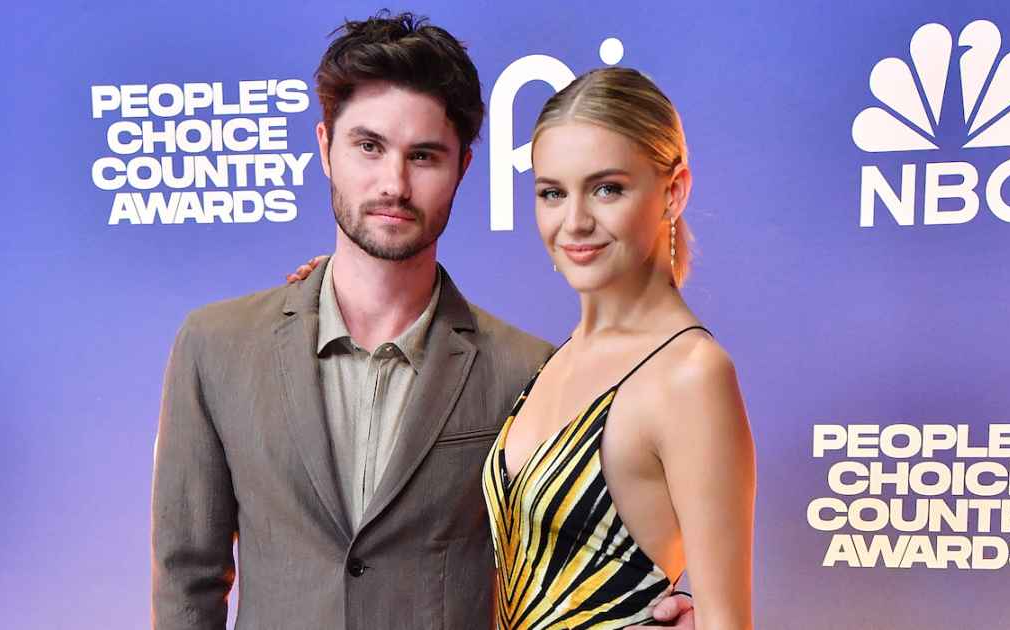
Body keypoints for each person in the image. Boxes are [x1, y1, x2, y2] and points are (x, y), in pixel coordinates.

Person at [151, 12, 695, 629]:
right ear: (325, 147)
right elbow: (186, 581)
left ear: (463, 166)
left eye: (424, 156)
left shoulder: (531, 372)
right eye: (369, 146)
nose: (395, 183)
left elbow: (571, 577)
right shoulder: (216, 346)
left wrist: (646, 620)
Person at [480, 68, 755, 629]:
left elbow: (727, 622)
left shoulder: (691, 374)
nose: (574, 222)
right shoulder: (555, 360)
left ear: (673, 192)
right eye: (552, 193)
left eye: (607, 189)